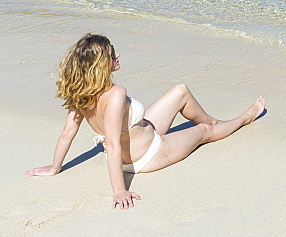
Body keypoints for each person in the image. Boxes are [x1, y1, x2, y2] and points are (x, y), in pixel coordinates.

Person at [26, 33, 265, 209]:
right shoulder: (116, 94)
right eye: (112, 53)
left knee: (180, 90)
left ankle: (216, 122)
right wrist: (119, 190)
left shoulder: (82, 93)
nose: (117, 55)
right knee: (202, 132)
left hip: (144, 134)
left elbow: (68, 133)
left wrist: (54, 168)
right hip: (148, 154)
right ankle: (244, 118)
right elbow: (111, 143)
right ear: (101, 64)